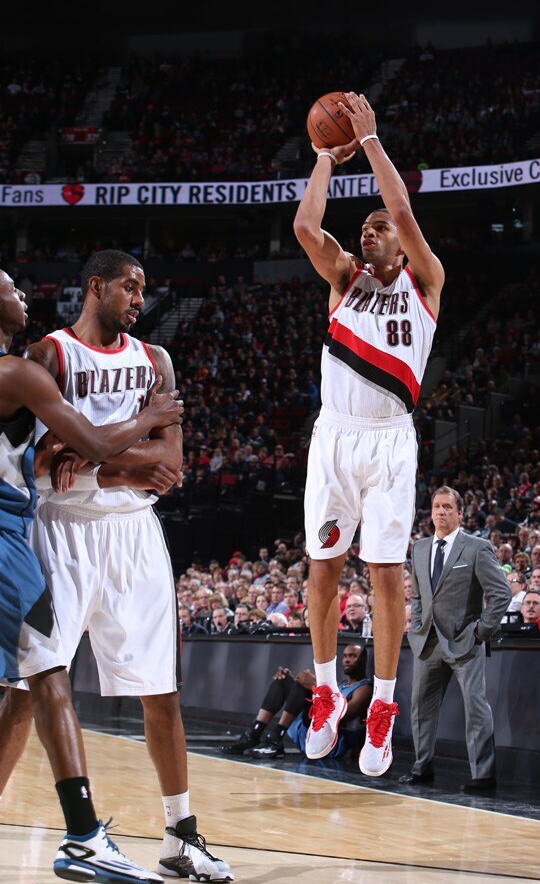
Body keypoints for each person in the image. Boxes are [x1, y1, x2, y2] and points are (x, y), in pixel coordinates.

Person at [0, 252, 234, 881]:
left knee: (161, 687)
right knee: (28, 688)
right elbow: (40, 461)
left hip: (133, 531)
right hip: (60, 529)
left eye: (144, 289)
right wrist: (122, 460)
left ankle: (181, 834)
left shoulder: (155, 360)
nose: (139, 297)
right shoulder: (48, 356)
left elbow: (172, 461)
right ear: (95, 286)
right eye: (129, 286)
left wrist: (96, 459)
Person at [293, 92, 444, 777]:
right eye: (364, 228)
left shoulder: (426, 283)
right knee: (322, 569)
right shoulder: (341, 279)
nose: (369, 232)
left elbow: (406, 211)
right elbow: (304, 226)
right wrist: (325, 157)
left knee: (385, 575)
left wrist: (373, 142)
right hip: (335, 438)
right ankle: (325, 690)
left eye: (378, 227)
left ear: (398, 243)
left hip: (388, 441)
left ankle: (381, 705)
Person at [399, 486, 511, 791]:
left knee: (476, 708)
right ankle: (422, 768)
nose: (441, 512)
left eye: (448, 507)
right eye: (437, 506)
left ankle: (483, 776)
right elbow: (419, 595)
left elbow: (501, 593)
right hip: (427, 642)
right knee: (420, 708)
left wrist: (480, 632)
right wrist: (417, 626)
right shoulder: (420, 548)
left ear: (460, 513)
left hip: (465, 642)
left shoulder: (476, 547)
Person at [220, 643, 372, 760]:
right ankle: (253, 735)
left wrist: (316, 686)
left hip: (332, 743)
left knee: (303, 685)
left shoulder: (364, 688)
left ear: (363, 660)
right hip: (312, 732)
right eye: (345, 655)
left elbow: (342, 715)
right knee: (283, 679)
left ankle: (275, 739)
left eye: (352, 656)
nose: (346, 659)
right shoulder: (341, 684)